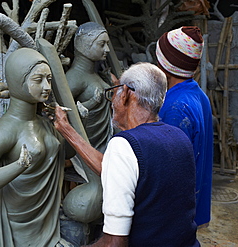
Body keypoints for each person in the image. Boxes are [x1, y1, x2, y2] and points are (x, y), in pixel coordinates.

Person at [52, 62, 200, 246]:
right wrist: (67, 131)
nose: (112, 100)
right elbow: (116, 169)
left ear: (126, 94)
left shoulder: (124, 146)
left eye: (114, 91)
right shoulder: (179, 137)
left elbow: (115, 242)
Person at [0, 48, 73, 246]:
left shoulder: (44, 121)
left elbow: (68, 153)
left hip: (46, 218)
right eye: (38, 80)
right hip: (15, 223)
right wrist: (18, 166)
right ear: (18, 81)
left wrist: (72, 126)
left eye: (48, 79)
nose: (46, 86)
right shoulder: (7, 130)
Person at [156, 26, 214, 227]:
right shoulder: (198, 95)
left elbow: (168, 172)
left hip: (174, 217)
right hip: (191, 209)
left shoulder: (175, 108)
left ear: (165, 65)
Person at [66, 21, 113, 153]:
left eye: (107, 44)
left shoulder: (95, 74)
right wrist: (91, 103)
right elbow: (61, 113)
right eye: (101, 44)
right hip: (88, 147)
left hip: (104, 140)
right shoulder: (75, 78)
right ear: (84, 45)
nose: (107, 50)